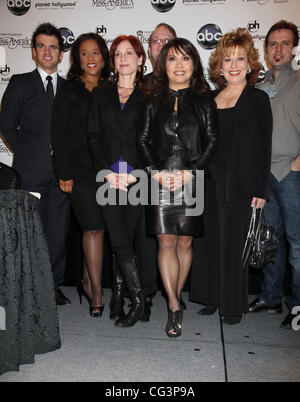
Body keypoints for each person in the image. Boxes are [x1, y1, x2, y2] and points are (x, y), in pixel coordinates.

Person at [138, 38, 218, 337]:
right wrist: (155, 173)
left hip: (192, 181)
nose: (179, 65)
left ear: (194, 64)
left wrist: (192, 172)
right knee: (165, 243)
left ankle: (176, 293)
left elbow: (212, 141)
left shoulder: (204, 100)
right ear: (164, 65)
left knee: (185, 243)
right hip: (159, 181)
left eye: (186, 59)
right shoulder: (151, 99)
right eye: (173, 59)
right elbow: (142, 141)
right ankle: (173, 304)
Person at [191, 28, 273, 325]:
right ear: (220, 66)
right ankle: (212, 297)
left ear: (250, 63)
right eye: (228, 59)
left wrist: (261, 189)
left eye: (240, 58)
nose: (234, 64)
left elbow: (265, 147)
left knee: (235, 244)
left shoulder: (258, 99)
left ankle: (234, 304)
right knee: (210, 241)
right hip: (211, 181)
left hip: (241, 184)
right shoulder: (210, 98)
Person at [0, 23, 71, 306]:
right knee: (29, 232)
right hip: (30, 172)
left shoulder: (69, 88)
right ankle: (28, 288)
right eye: (41, 46)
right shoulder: (20, 82)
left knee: (57, 232)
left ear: (61, 53)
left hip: (63, 174)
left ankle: (51, 287)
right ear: (33, 51)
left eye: (53, 46)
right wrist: (28, 152)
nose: (47, 51)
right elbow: (6, 124)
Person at [87, 35, 147, 328]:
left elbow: (152, 140)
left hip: (137, 178)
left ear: (140, 58)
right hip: (108, 176)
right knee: (118, 239)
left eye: (129, 53)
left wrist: (136, 173)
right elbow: (93, 136)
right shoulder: (101, 94)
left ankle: (118, 295)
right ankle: (138, 300)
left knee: (126, 238)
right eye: (118, 54)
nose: (123, 58)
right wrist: (108, 171)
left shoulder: (149, 94)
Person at [51, 33, 111, 317]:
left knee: (102, 227)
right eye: (84, 53)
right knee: (92, 226)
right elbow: (58, 133)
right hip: (78, 170)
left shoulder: (112, 88)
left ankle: (88, 280)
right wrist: (63, 171)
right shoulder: (69, 90)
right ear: (77, 58)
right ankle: (97, 291)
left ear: (104, 57)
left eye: (96, 52)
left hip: (108, 170)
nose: (90, 59)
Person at [249, 20, 300, 329]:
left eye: (284, 43)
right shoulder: (258, 84)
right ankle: (270, 296)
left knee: (297, 241)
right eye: (272, 44)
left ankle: (297, 305)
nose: (278, 49)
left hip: (292, 173)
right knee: (270, 240)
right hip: (262, 174)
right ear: (265, 49)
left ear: (293, 48)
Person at [136, 23, 177, 320]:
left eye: (167, 40)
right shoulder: (138, 85)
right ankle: (147, 293)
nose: (160, 45)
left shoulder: (187, 83)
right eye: (155, 40)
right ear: (149, 48)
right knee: (145, 237)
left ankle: (174, 295)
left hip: (178, 176)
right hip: (142, 173)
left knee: (176, 238)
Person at [145, 23, 177, 87]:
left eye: (167, 40)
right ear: (149, 50)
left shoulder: (190, 83)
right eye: (156, 40)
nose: (161, 43)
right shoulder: (141, 85)